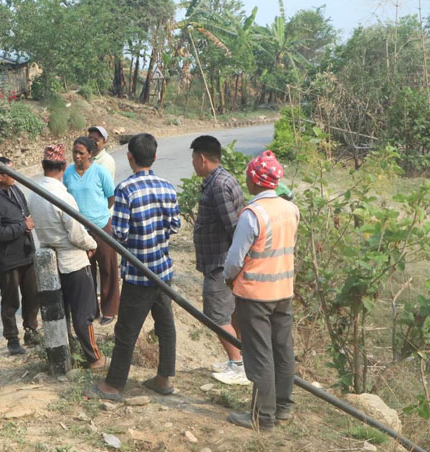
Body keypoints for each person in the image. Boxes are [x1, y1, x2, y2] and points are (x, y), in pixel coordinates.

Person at [93, 133, 180, 400]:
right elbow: (175, 225)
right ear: (153, 157)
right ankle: (164, 379)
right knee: (166, 326)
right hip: (163, 272)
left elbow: (118, 233)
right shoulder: (167, 187)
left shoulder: (126, 190)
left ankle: (114, 385)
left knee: (126, 330)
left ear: (129, 157)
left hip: (138, 275)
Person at [223, 150, 299, 431]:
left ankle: (262, 417)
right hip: (283, 291)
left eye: (248, 175)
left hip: (255, 295)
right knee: (282, 350)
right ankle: (283, 408)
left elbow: (234, 260)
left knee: (260, 355)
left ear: (255, 181)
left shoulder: (252, 214)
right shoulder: (291, 209)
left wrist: (228, 279)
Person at [26, 144, 105, 369]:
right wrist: (92, 244)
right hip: (73, 261)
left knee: (62, 313)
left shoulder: (35, 195)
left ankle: (67, 355)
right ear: (63, 167)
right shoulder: (63, 196)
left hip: (51, 263)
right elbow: (77, 233)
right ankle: (95, 358)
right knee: (84, 313)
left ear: (43, 167)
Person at [190, 135, 249, 386]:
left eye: (193, 159)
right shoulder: (220, 179)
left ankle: (237, 364)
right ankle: (241, 359)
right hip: (221, 261)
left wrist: (231, 266)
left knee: (216, 314)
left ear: (202, 158)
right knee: (230, 313)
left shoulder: (218, 185)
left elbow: (233, 228)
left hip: (220, 263)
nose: (193, 164)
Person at [0, 157, 41, 355]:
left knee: (32, 296)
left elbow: (25, 211)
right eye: (10, 173)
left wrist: (25, 224)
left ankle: (31, 331)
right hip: (8, 260)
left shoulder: (14, 189)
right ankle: (12, 339)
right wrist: (23, 226)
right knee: (10, 301)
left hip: (27, 253)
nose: (15, 176)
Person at [63, 137, 119, 325]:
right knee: (85, 270)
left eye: (81, 153)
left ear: (90, 154)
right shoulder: (68, 173)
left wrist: (98, 214)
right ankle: (91, 309)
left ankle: (109, 309)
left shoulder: (100, 172)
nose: (77, 156)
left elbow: (110, 197)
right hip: (79, 229)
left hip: (101, 226)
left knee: (107, 267)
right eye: (74, 152)